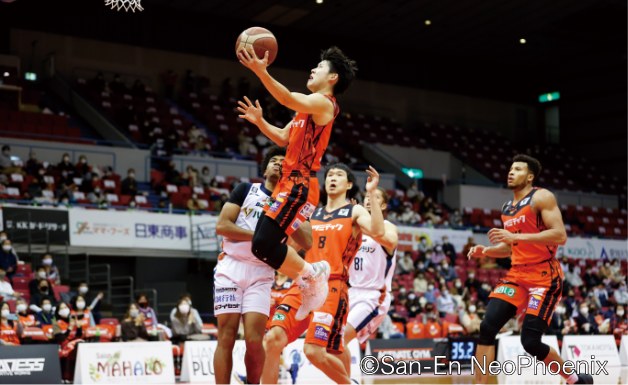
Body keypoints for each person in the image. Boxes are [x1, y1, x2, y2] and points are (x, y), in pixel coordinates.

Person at [236, 46, 358, 317]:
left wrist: (261, 71)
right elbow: (282, 138)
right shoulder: (306, 110)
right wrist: (260, 122)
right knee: (262, 245)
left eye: (319, 67)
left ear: (333, 77)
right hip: (289, 184)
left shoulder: (325, 104)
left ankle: (312, 277)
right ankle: (311, 276)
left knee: (263, 244)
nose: (313, 69)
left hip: (300, 185)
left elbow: (287, 98)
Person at [467, 154, 593, 384]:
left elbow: (560, 235)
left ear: (530, 176)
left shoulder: (542, 197)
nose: (511, 172)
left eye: (517, 169)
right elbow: (511, 247)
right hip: (517, 275)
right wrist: (486, 251)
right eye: (510, 168)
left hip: (544, 277)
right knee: (487, 327)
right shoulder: (507, 208)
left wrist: (515, 236)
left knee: (531, 343)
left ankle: (575, 379)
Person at [262, 163, 384, 384]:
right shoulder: (311, 213)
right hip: (303, 283)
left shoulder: (354, 211)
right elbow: (289, 246)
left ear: (348, 184)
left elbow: (378, 231)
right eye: (329, 175)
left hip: (332, 287)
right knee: (272, 339)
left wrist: (372, 193)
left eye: (339, 175)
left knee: (314, 352)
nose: (332, 178)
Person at [213, 146, 312, 385]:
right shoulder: (245, 190)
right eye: (274, 161)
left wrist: (289, 210)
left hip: (261, 271)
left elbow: (307, 241)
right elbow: (222, 226)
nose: (279, 164)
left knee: (255, 340)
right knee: (225, 336)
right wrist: (259, 236)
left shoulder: (289, 203)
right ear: (265, 167)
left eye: (284, 162)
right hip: (231, 267)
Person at [340, 187, 398, 377]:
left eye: (373, 197)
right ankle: (349, 380)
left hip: (374, 295)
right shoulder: (357, 229)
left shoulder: (388, 226)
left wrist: (363, 226)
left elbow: (389, 241)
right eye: (366, 196)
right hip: (350, 291)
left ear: (382, 205)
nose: (367, 199)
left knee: (340, 339)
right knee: (334, 341)